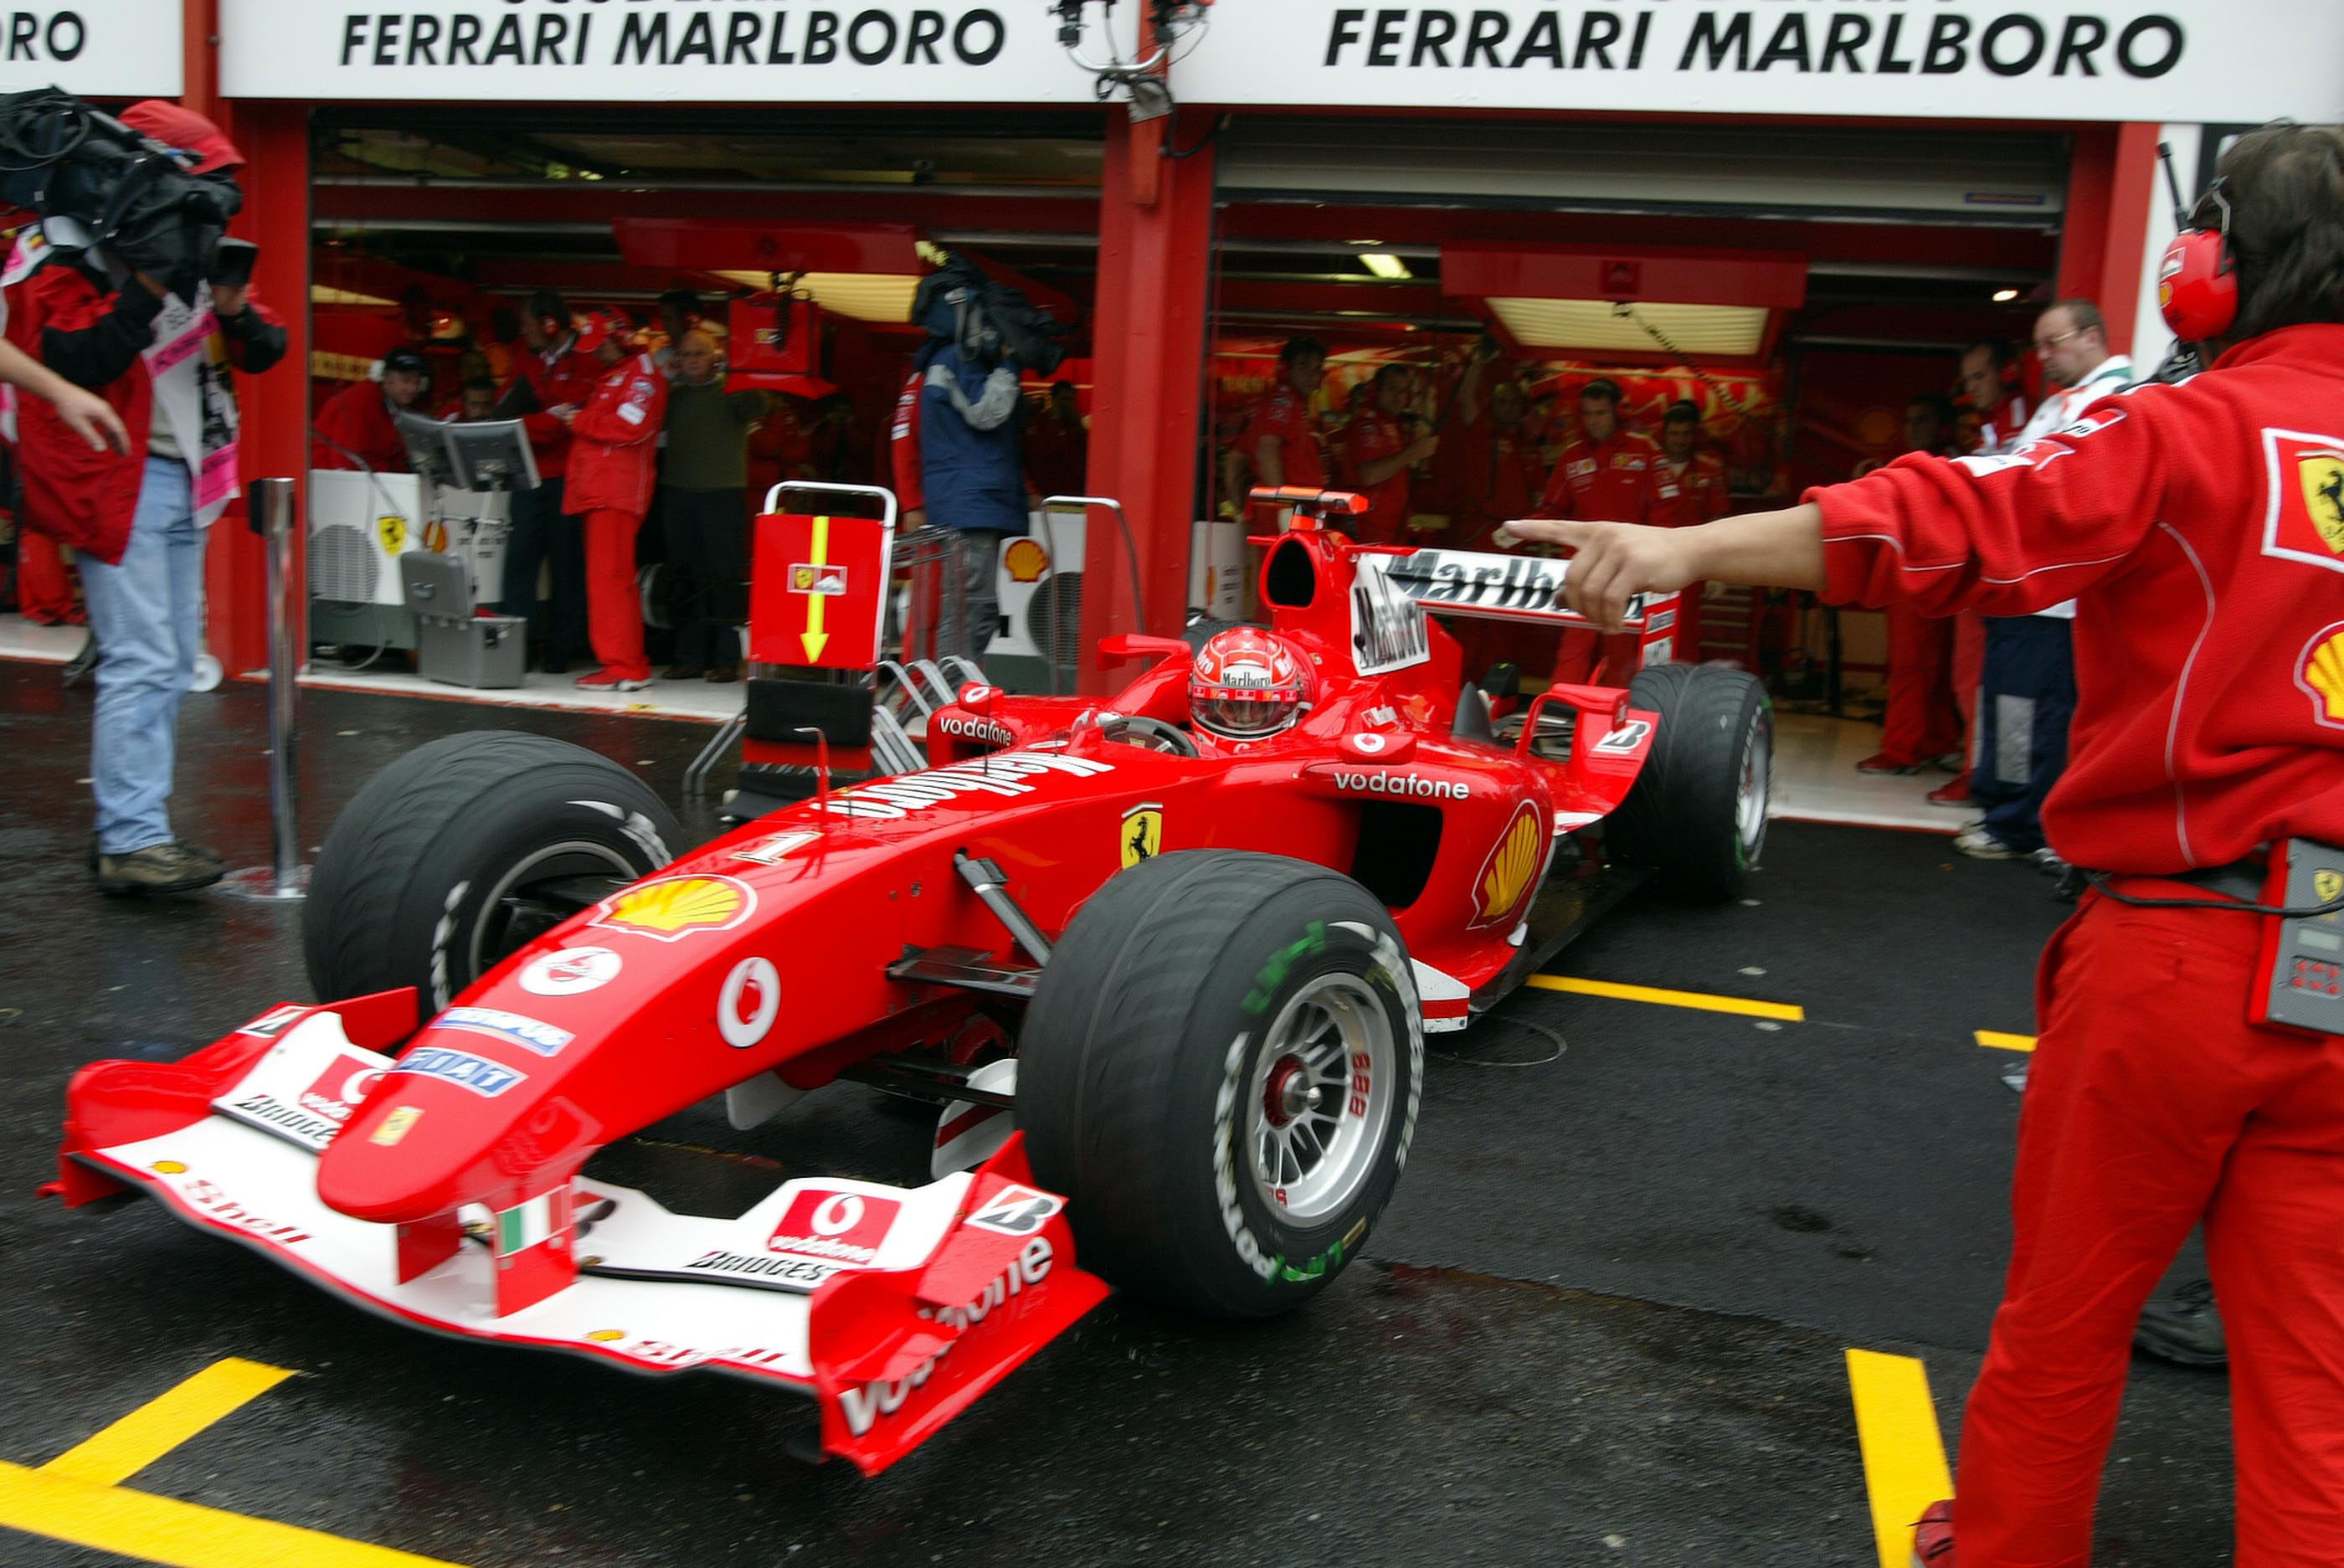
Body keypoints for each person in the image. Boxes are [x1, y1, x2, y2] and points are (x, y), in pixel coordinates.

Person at [1510, 122, 2344, 1568]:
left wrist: (1690, 548)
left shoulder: (2185, 426)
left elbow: (1960, 524)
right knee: (2318, 1386)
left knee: (2068, 1322)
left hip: (2182, 952)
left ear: (2208, 269)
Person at [16, 100, 285, 894]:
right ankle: (131, 839)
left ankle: (140, 827)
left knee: (169, 661)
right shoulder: (60, 248)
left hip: (184, 476)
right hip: (117, 474)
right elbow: (76, 356)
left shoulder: (190, 248)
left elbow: (269, 346)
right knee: (141, 658)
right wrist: (144, 285)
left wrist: (232, 310)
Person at [1955, 302, 2133, 863]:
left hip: (2062, 602)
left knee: (2051, 717)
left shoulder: (2122, 399)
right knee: (2012, 710)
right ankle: (2010, 815)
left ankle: (2032, 824)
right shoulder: (2062, 401)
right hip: (2023, 592)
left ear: (2092, 336)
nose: (2044, 357)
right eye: (2040, 346)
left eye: (2053, 343)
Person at [1933, 342, 2034, 807]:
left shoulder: (2023, 416)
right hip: (1990, 572)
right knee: (1973, 680)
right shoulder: (1995, 421)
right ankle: (1986, 776)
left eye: (1980, 376)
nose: (1973, 388)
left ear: (2003, 373)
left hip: (2006, 576)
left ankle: (1985, 779)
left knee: (1984, 683)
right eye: (1967, 379)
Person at [1853, 393, 1964, 775]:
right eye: (1910, 420)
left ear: (1940, 424)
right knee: (1930, 665)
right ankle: (1937, 741)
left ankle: (1901, 751)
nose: (1914, 427)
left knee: (1912, 665)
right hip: (1927, 577)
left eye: (1924, 419)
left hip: (1925, 576)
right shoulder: (1911, 466)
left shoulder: (1945, 464)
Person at [560, 311, 666, 691]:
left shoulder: (642, 375)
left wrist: (581, 421)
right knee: (607, 580)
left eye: (601, 345)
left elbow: (631, 427)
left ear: (619, 338)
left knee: (611, 581)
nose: (596, 354)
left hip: (616, 492)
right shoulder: (624, 372)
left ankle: (625, 666)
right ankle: (621, 663)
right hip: (602, 490)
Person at [1529, 377, 1658, 683]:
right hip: (1581, 569)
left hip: (1629, 569)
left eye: (1601, 413)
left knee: (1622, 652)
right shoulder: (1571, 456)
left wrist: (1653, 564)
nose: (1594, 421)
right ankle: (1560, 713)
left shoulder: (1645, 452)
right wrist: (1527, 528)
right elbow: (1552, 510)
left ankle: (1617, 720)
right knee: (1574, 649)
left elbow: (1663, 512)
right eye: (1587, 414)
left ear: (1616, 412)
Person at [500, 289, 600, 673]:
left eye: (528, 325)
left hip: (569, 478)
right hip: (527, 477)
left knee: (566, 566)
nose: (524, 332)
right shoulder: (527, 359)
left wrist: (518, 424)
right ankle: (515, 651)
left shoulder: (587, 363)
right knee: (518, 563)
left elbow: (558, 427)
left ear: (549, 323)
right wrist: (534, 420)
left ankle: (561, 651)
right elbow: (508, 406)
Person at [658, 330, 767, 682]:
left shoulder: (731, 391)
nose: (692, 360)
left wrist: (737, 372)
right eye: (686, 354)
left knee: (723, 577)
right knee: (685, 576)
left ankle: (725, 657)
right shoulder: (673, 396)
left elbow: (759, 406)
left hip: (722, 494)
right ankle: (689, 656)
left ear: (714, 357)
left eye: (699, 354)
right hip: (678, 493)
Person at [1647, 399, 1730, 661]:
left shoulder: (1709, 469)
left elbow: (1720, 520)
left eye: (1686, 434)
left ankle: (1681, 687)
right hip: (1650, 558)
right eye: (1674, 433)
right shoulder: (1649, 466)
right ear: (1664, 433)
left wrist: (1719, 571)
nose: (1680, 440)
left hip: (1691, 563)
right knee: (1646, 624)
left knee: (1686, 627)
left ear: (1694, 434)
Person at [311, 347, 428, 473]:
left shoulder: (393, 405)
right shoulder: (359, 402)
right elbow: (348, 464)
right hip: (331, 484)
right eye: (406, 380)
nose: (412, 389)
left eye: (416, 382)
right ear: (385, 376)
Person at [1244, 336, 1329, 510]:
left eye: (1317, 369)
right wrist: (1284, 508)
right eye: (1303, 366)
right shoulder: (1283, 401)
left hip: (1298, 509)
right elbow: (1266, 450)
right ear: (1286, 370)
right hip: (1288, 514)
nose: (1311, 376)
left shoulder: (1294, 405)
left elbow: (1236, 458)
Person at [1023, 378, 1088, 501]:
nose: (1067, 404)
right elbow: (1038, 454)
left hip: (1073, 492)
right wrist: (1055, 422)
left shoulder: (1076, 425)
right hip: (1045, 491)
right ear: (1053, 399)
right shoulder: (1040, 423)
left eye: (1070, 399)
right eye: (1063, 399)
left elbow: (1085, 456)